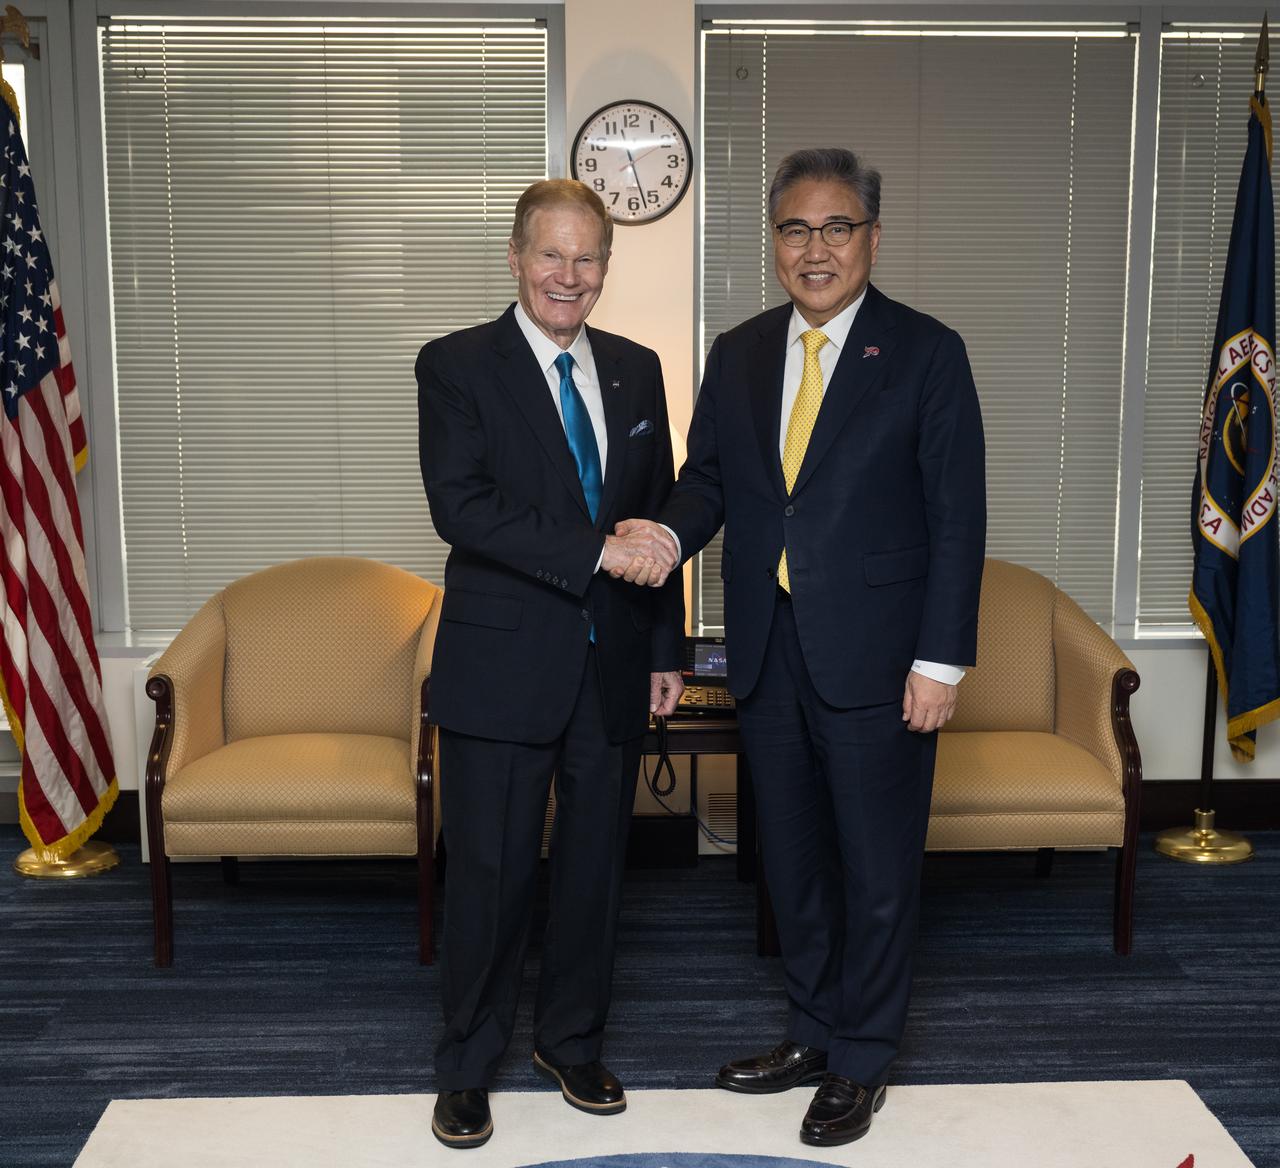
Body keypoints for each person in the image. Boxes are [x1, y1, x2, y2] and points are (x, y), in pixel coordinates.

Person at [621, 147, 986, 1146]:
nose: (813, 249)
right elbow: (709, 485)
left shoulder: (924, 353)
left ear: (871, 236)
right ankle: (812, 1029)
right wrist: (663, 531)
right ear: (771, 241)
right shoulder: (738, 352)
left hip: (881, 660)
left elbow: (956, 517)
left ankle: (862, 1058)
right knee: (790, 861)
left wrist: (939, 660)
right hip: (769, 655)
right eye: (794, 228)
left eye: (834, 228)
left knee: (874, 868)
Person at [417, 178, 685, 1150]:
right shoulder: (455, 366)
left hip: (610, 661)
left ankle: (569, 1041)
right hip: (501, 665)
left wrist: (665, 646)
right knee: (488, 871)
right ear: (514, 256)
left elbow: (653, 510)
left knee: (592, 871)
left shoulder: (635, 368)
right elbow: (463, 508)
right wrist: (594, 553)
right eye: (550, 255)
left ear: (606, 267)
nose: (568, 276)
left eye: (587, 258)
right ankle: (466, 1063)